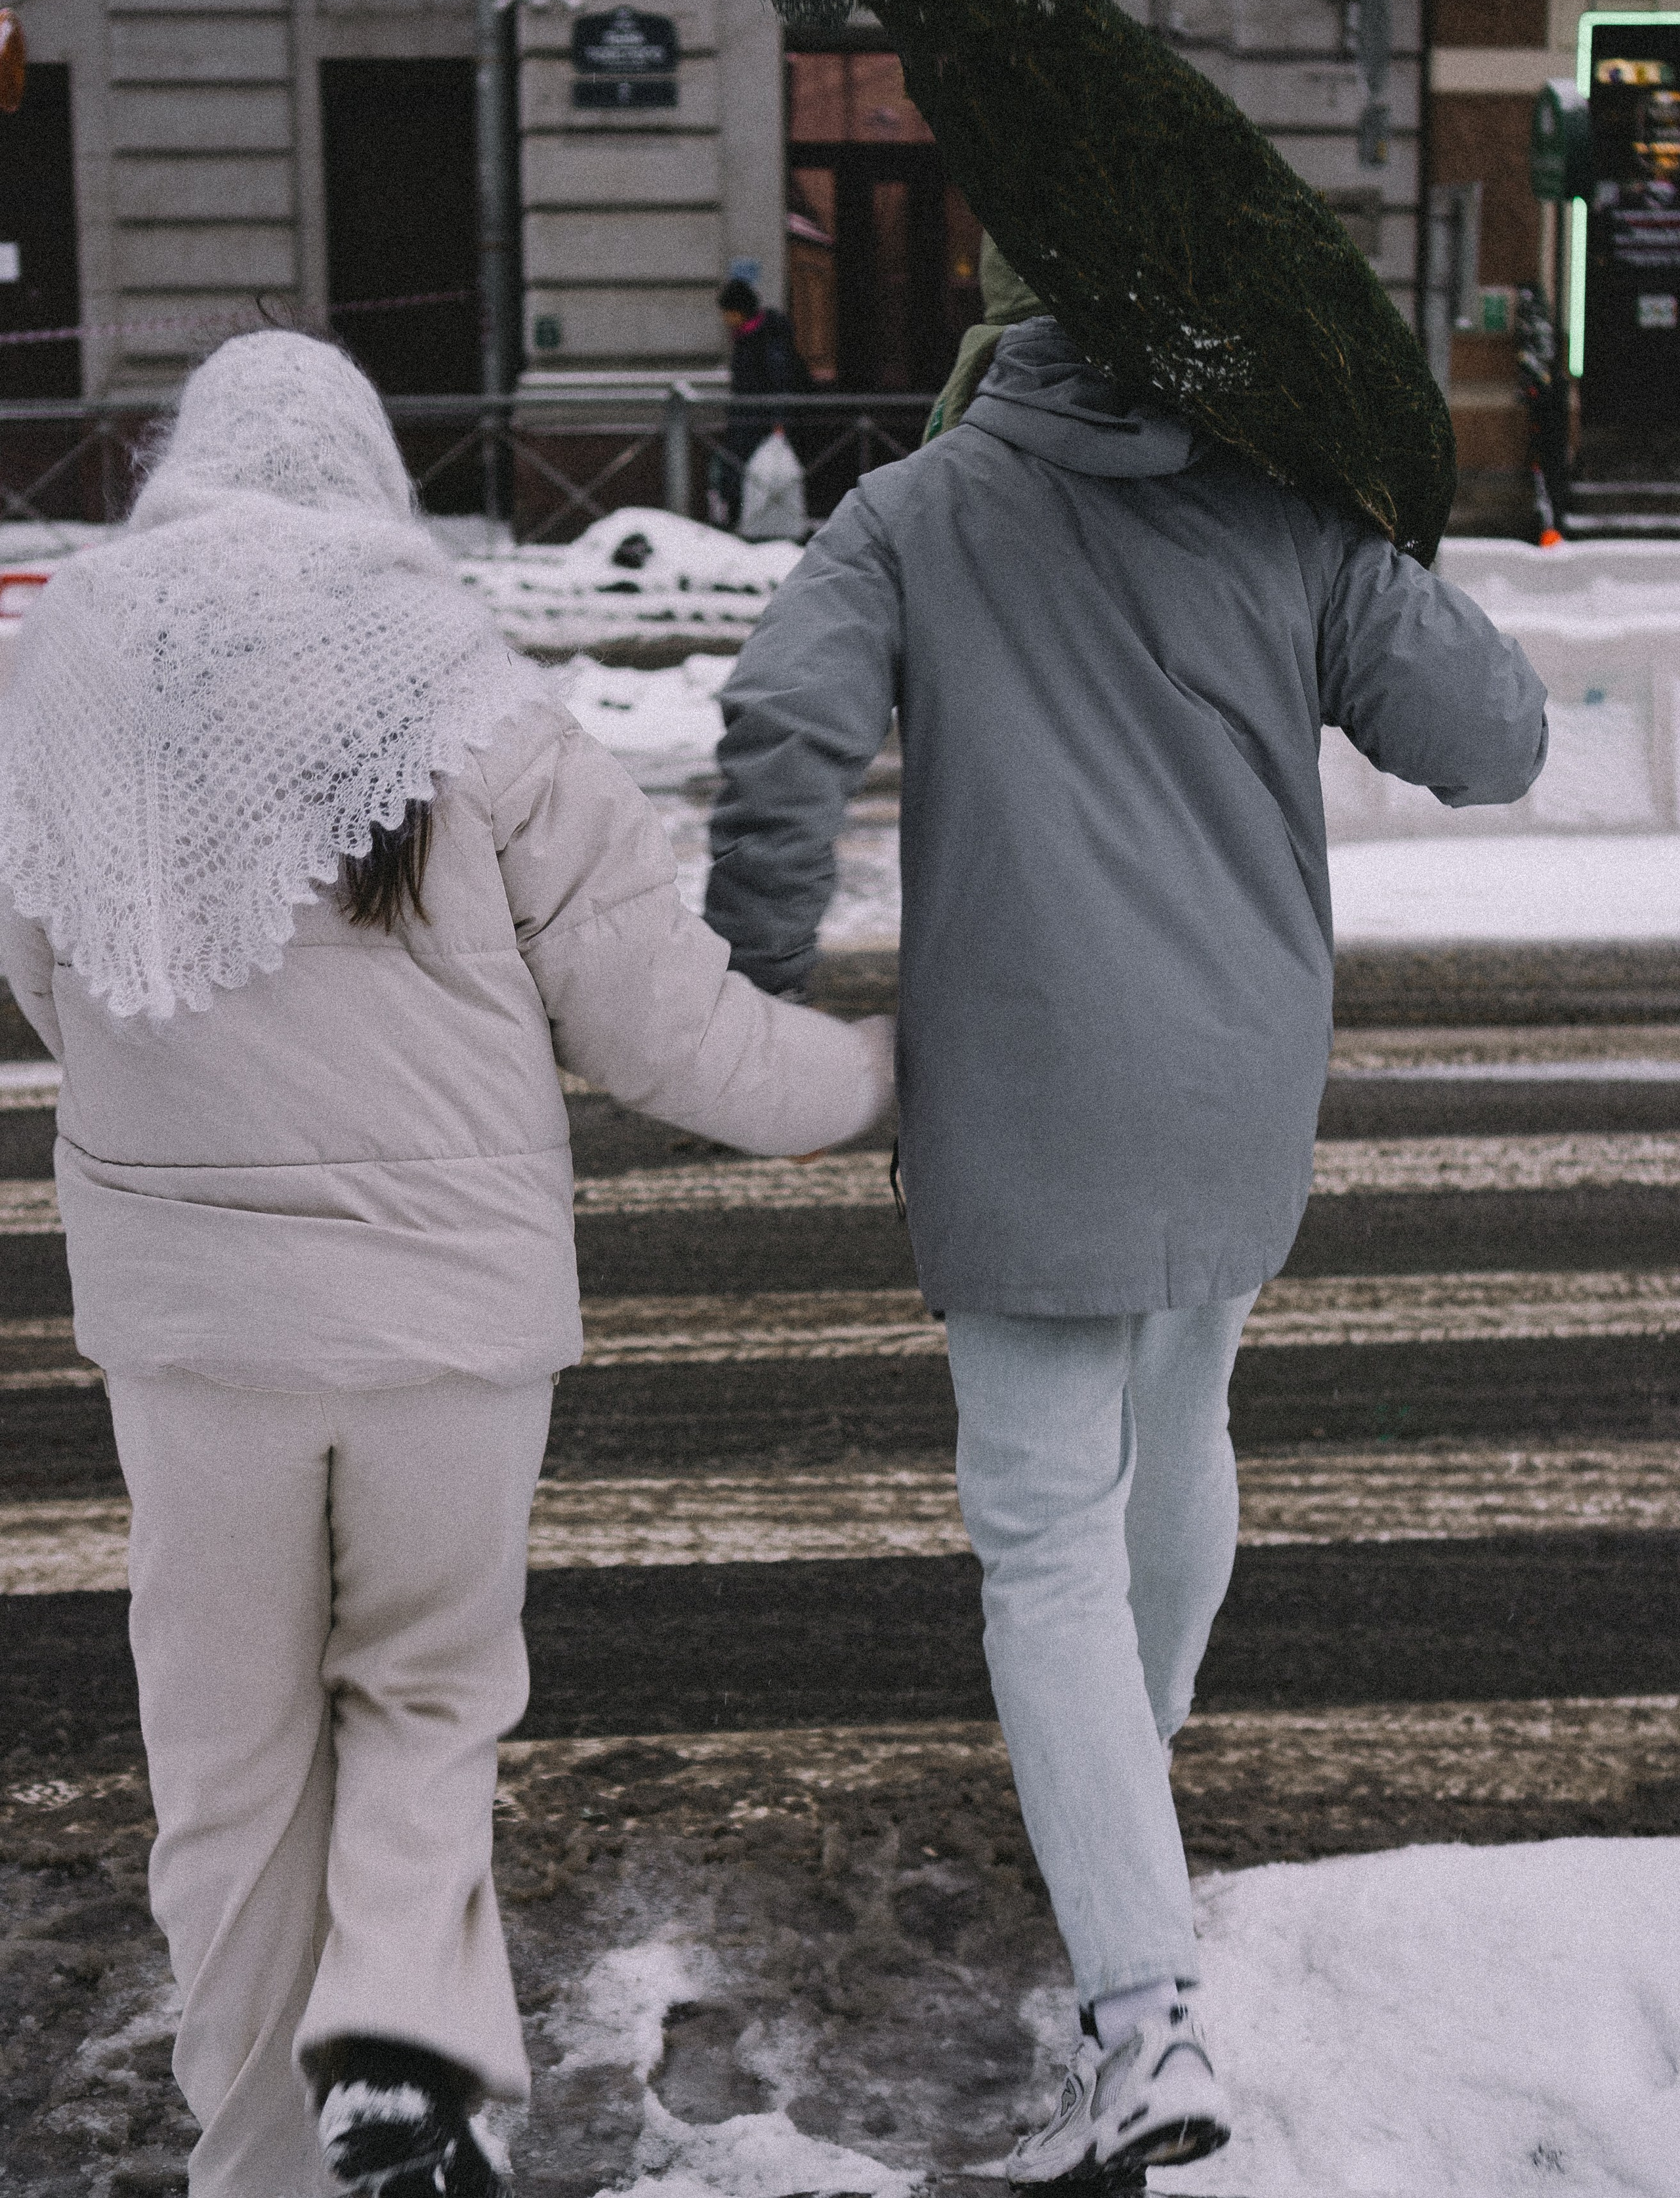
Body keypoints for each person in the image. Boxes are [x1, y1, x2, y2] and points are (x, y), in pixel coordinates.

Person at [0, 331, 894, 2198]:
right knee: (426, 1688)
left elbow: (45, 982)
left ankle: (262, 2167)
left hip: (192, 1330)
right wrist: (881, 1083)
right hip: (451, 1321)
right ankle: (401, 2038)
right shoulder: (477, 707)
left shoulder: (62, 682)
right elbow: (674, 1037)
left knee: (229, 1779)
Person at [704, 311, 1547, 2183]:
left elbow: (781, 729)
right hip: (1240, 1073)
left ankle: (1144, 2011)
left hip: (1022, 1081)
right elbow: (1493, 745)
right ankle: (1126, 1793)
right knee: (1186, 1422)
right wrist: (1365, 529)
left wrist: (754, 971)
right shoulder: (1285, 514)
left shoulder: (916, 510)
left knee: (1041, 1537)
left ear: (995, 350)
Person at [713, 276, 808, 526]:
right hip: (746, 418)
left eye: (728, 312)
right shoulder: (747, 336)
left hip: (760, 423)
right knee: (737, 473)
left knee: (747, 474)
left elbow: (780, 380)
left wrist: (780, 421)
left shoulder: (767, 338)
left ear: (740, 310)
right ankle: (743, 521)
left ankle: (751, 525)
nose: (725, 319)